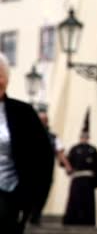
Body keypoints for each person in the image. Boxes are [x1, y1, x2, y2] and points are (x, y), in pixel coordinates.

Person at [0, 54, 54, 234]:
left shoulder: (23, 114)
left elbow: (44, 160)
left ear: (4, 81)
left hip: (8, 198)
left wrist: (35, 206)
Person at [29, 111, 72, 226]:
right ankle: (28, 214)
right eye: (41, 120)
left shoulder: (53, 137)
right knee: (30, 193)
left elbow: (60, 152)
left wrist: (67, 166)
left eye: (45, 120)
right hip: (30, 171)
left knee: (43, 194)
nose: (43, 122)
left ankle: (36, 215)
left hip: (46, 171)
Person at [62, 125, 97, 226]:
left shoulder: (93, 150)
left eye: (86, 137)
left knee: (87, 202)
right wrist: (69, 169)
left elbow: (96, 166)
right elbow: (67, 162)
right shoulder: (74, 149)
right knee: (75, 200)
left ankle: (87, 222)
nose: (84, 138)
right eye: (82, 136)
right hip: (77, 179)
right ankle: (72, 221)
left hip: (88, 180)